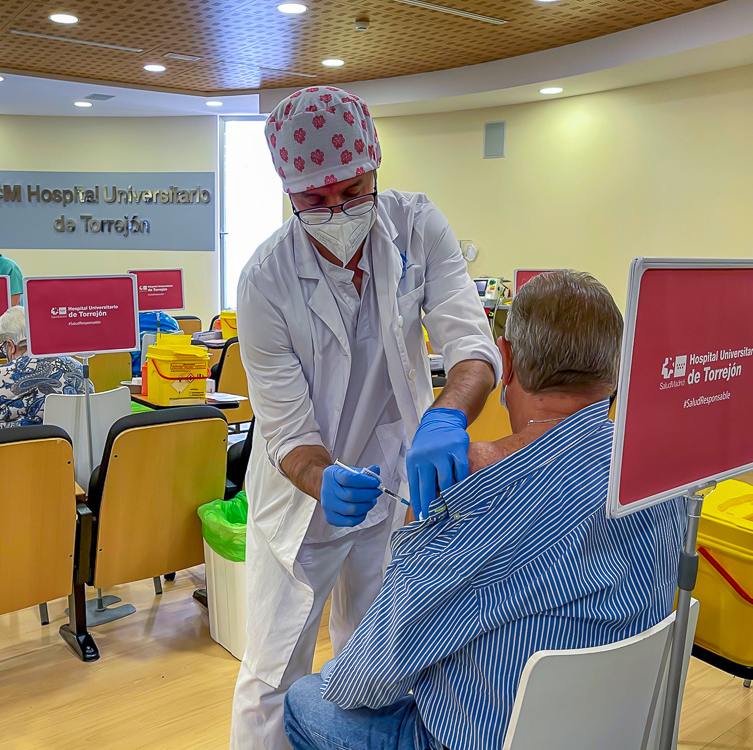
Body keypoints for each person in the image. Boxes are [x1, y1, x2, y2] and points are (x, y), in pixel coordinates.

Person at [282, 271, 685, 750]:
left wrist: (417, 540)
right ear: (616, 368)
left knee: (306, 699)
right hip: (613, 730)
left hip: (487, 739)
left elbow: (366, 677)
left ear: (506, 361)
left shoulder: (475, 495)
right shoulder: (662, 474)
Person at [230, 85, 501, 749]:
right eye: (315, 202)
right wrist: (322, 480)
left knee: (374, 666)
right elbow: (289, 431)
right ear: (289, 194)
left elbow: (472, 348)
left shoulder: (416, 226)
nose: (338, 213)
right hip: (303, 498)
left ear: (376, 163)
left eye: (353, 191)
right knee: (272, 673)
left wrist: (447, 419)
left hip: (393, 483)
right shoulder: (264, 280)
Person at [0, 305, 86, 431]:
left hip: (11, 449)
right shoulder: (76, 367)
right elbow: (88, 410)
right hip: (66, 448)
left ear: (11, 345)